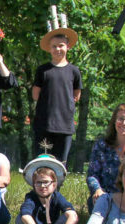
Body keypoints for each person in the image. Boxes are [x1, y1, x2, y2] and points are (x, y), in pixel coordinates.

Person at [32, 28, 82, 163]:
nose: (57, 49)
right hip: (44, 124)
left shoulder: (74, 71)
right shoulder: (43, 70)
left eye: (61, 45)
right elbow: (35, 94)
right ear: (49, 48)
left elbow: (76, 95)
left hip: (64, 125)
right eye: (54, 46)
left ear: (68, 46)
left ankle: (58, 185)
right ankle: (40, 184)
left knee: (61, 163)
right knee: (42, 161)